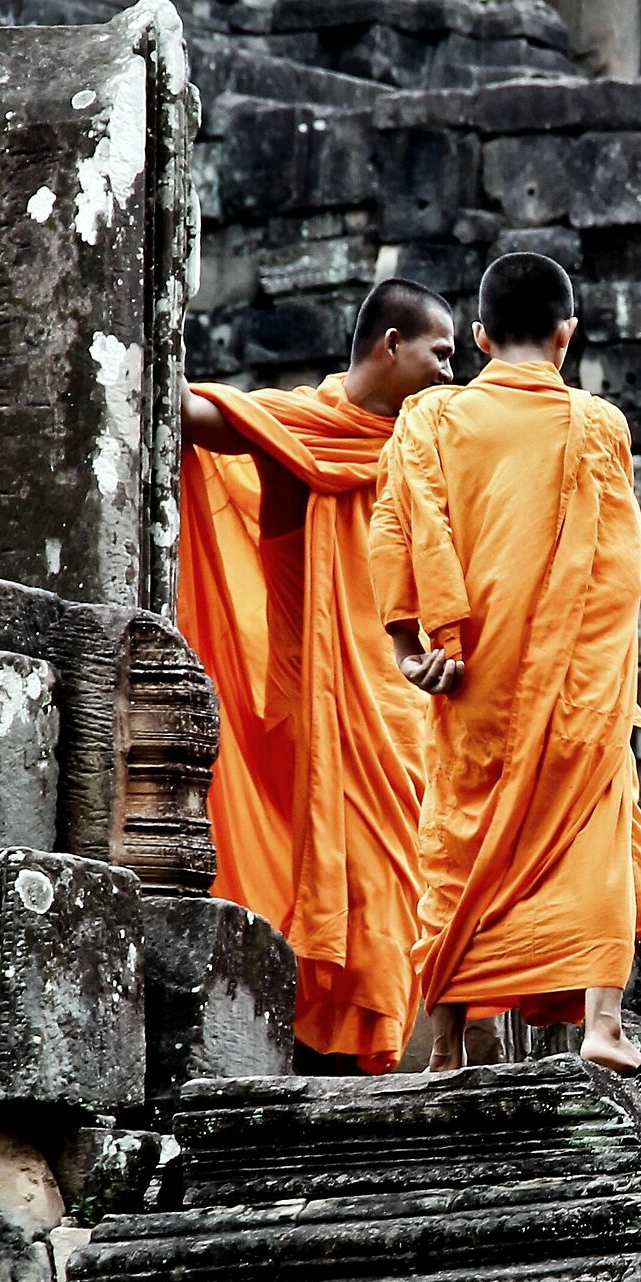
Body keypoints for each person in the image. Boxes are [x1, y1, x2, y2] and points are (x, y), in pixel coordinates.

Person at [369, 251, 641, 1074]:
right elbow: (619, 572)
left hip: (467, 681)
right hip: (572, 688)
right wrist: (601, 685)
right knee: (592, 830)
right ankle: (602, 1026)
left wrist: (412, 652)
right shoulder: (598, 424)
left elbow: (400, 537)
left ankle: (447, 1038)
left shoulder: (429, 422)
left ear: (476, 337)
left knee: (456, 840)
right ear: (566, 337)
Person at [176, 278, 455, 1072]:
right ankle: (341, 1049)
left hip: (408, 707)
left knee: (410, 885)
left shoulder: (429, 446)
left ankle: (379, 1046)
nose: (448, 370)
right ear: (389, 344)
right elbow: (193, 416)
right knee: (358, 879)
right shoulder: (307, 424)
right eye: (439, 353)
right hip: (324, 704)